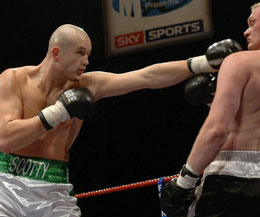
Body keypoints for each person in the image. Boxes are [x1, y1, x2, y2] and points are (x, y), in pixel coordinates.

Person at [0, 24, 241, 216]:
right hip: (6, 186)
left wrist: (200, 64)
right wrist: (57, 112)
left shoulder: (88, 85)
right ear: (56, 53)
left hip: (53, 188)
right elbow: (6, 139)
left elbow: (146, 76)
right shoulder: (14, 80)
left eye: (88, 54)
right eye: (80, 53)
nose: (86, 61)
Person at [160, 2, 260, 217]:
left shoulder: (239, 62)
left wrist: (184, 182)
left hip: (233, 182)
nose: (246, 31)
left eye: (252, 23)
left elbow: (217, 130)